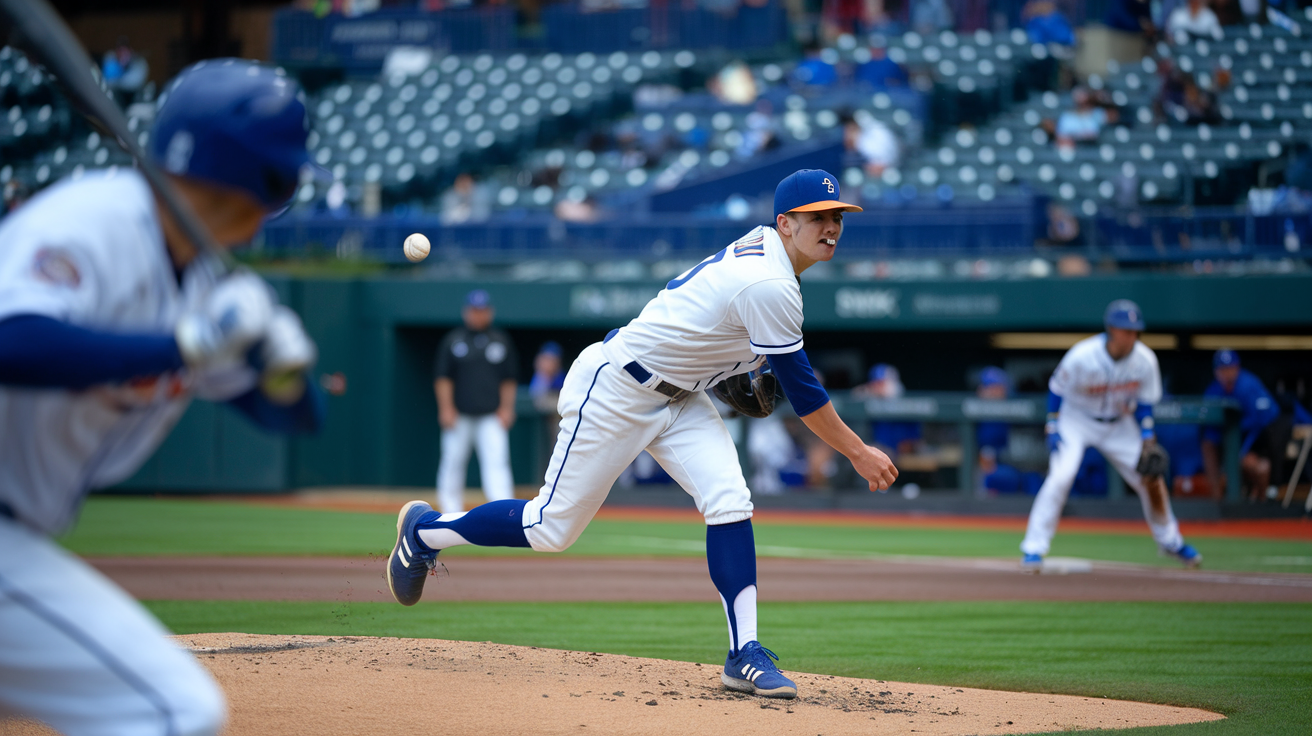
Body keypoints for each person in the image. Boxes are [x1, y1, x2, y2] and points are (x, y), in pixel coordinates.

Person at [385, 169, 898, 699]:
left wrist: (732, 366)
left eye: (838, 216)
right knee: (549, 529)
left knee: (729, 500)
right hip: (617, 390)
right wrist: (857, 452)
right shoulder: (770, 282)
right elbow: (807, 396)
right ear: (785, 223)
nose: (832, 226)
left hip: (682, 398)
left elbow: (715, 319)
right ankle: (425, 532)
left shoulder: (770, 260)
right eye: (818, 217)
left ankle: (743, 653)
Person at [0, 59, 324, 736]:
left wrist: (285, 368)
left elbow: (294, 418)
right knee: (174, 711)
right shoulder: (97, 220)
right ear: (269, 184)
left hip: (21, 533)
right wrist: (187, 345)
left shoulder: (205, 280)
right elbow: (13, 342)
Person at [1020, 300, 1201, 572]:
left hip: (1119, 424)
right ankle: (1033, 548)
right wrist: (1053, 425)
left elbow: (1145, 402)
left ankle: (1170, 542)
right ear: (1112, 329)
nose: (1131, 336)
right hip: (1077, 419)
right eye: (1126, 330)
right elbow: (1056, 389)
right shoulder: (1083, 354)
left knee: (1151, 479)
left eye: (1135, 330)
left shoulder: (1145, 359)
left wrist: (1147, 434)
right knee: (1061, 476)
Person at [433, 289, 520, 515]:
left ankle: (502, 512)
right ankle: (449, 511)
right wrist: (446, 408)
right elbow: (443, 378)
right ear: (466, 311)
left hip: (491, 415)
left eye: (482, 310)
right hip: (459, 415)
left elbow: (509, 379)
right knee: (452, 462)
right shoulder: (454, 340)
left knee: (497, 462)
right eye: (474, 310)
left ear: (490, 312)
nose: (478, 314)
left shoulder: (500, 340)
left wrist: (507, 408)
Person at [1202, 349, 1310, 502]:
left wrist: (1239, 449)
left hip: (1261, 442)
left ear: (1237, 368)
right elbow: (1210, 432)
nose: (1227, 373)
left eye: (1230, 368)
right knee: (1208, 444)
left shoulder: (1248, 385)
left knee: (1261, 467)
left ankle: (1260, 506)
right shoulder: (1213, 391)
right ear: (1216, 371)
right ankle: (1216, 499)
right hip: (1231, 443)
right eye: (1222, 369)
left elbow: (1265, 420)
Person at [854, 364, 923, 457]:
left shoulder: (907, 403)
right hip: (876, 450)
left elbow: (914, 442)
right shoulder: (871, 401)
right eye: (875, 384)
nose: (877, 388)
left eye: (881, 383)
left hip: (900, 455)